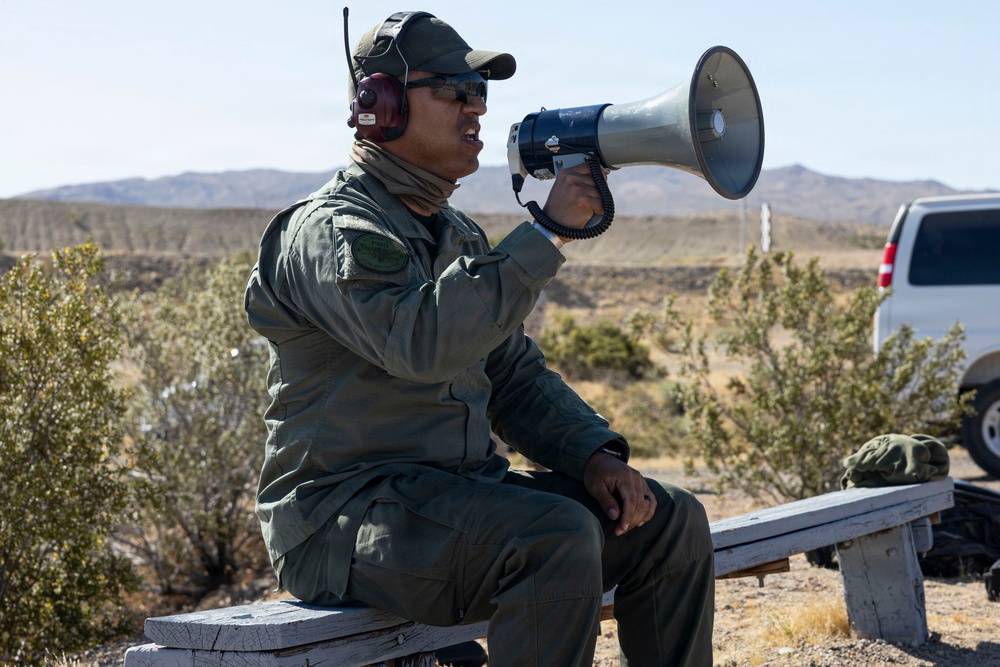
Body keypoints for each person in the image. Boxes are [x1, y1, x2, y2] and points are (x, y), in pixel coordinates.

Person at [244, 11, 714, 667]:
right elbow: (421, 344)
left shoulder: (457, 235)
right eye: (452, 90)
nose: (475, 110)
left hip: (454, 497)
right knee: (552, 536)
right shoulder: (335, 231)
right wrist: (546, 233)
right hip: (340, 517)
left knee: (671, 521)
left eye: (480, 93)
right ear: (380, 106)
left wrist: (593, 456)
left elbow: (513, 377)